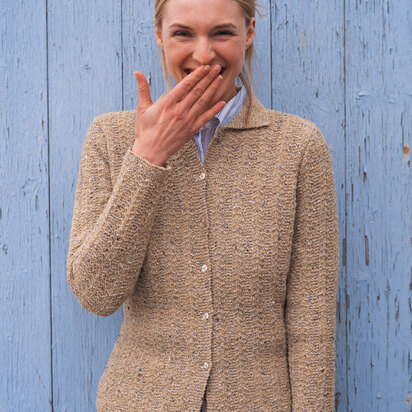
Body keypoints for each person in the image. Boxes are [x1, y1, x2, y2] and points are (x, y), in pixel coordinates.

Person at [66, 0, 340, 410]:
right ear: (159, 35)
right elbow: (96, 293)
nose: (203, 53)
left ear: (249, 33)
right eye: (183, 33)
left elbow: (312, 319)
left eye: (222, 33)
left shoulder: (298, 147)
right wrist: (147, 156)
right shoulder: (110, 138)